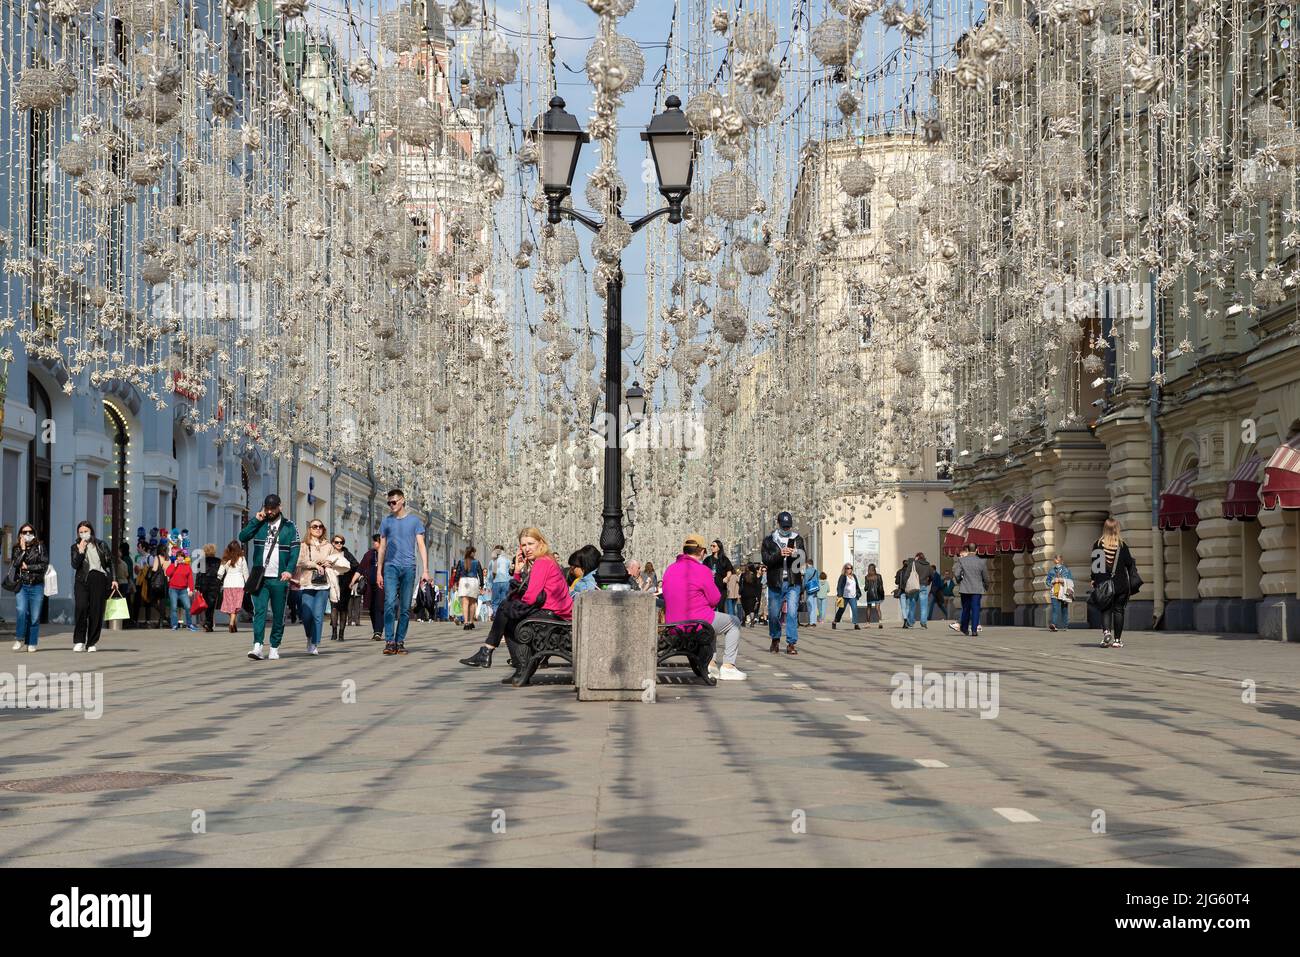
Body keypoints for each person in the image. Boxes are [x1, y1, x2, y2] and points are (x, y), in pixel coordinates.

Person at [458, 526, 573, 682]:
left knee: (506, 610)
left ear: (540, 543)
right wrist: (518, 572)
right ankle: (509, 663)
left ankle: (489, 652)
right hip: (553, 613)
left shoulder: (542, 563)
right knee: (507, 611)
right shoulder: (544, 560)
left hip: (554, 616)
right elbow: (519, 594)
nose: (527, 549)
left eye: (531, 544)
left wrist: (512, 607)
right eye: (523, 545)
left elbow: (530, 597)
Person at [663, 533, 745, 680]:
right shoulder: (702, 570)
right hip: (696, 624)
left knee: (709, 618)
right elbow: (715, 599)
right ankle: (728, 666)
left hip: (673, 626)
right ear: (701, 551)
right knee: (734, 622)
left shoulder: (670, 569)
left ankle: (711, 664)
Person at [239, 494, 301, 661]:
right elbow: (242, 537)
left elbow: (295, 551)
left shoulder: (290, 526)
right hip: (260, 577)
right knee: (259, 611)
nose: (270, 511)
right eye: (267, 508)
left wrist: (289, 570)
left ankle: (274, 646)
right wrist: (255, 520)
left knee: (278, 614)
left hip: (279, 578)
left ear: (280, 507)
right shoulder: (260, 523)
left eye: (273, 508)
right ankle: (257, 646)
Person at [376, 488, 431, 656]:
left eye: (394, 502)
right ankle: (389, 641)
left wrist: (425, 570)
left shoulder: (415, 522)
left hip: (409, 567)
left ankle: (400, 641)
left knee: (405, 607)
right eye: (389, 503)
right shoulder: (386, 522)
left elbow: (421, 545)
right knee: (390, 603)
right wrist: (379, 571)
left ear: (402, 501)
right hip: (391, 566)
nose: (391, 505)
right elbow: (382, 547)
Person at [295, 519, 350, 655]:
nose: (318, 529)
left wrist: (328, 562)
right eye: (315, 526)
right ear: (310, 529)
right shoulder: (304, 545)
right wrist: (315, 564)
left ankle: (314, 643)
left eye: (320, 527)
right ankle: (309, 636)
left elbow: (338, 559)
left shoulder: (328, 546)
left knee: (318, 615)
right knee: (307, 615)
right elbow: (299, 561)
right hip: (307, 583)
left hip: (323, 584)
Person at [760, 511, 806, 654]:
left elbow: (803, 557)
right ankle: (775, 639)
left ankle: (791, 643)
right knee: (774, 614)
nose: (786, 529)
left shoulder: (797, 539)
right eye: (784, 526)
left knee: (792, 613)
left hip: (793, 581)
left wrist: (795, 553)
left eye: (788, 527)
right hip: (776, 582)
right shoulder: (769, 540)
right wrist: (780, 554)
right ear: (778, 524)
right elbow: (766, 560)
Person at [1090, 518, 1139, 648]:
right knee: (1118, 611)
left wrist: (1094, 579)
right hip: (1121, 584)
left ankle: (1106, 632)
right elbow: (1129, 563)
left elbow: (1096, 567)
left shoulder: (1098, 544)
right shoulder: (1122, 545)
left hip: (1104, 583)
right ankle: (1117, 641)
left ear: (1105, 528)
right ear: (1117, 529)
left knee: (1105, 609)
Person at [70, 521, 114, 651]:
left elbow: (110, 563)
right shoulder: (75, 547)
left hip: (98, 578)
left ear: (91, 531)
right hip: (82, 579)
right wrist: (81, 551)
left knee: (96, 611)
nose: (84, 534)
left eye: (86, 531)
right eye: (81, 532)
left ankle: (91, 642)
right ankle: (79, 640)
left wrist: (114, 579)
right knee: (81, 607)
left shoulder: (101, 544)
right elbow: (74, 564)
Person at [8, 523, 48, 652]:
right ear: (20, 534)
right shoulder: (16, 548)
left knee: (35, 616)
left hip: (37, 585)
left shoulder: (40, 547)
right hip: (22, 584)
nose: (27, 534)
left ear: (34, 533)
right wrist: (23, 549)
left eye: (29, 532)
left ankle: (31, 642)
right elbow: (16, 564)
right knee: (21, 610)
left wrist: (28, 567)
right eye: (24, 532)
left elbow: (43, 565)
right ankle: (19, 638)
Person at [951, 543, 989, 637]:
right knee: (976, 609)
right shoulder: (981, 562)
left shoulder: (962, 561)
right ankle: (974, 630)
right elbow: (986, 577)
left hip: (965, 588)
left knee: (966, 608)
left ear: (967, 550)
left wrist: (959, 580)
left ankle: (964, 628)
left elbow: (956, 573)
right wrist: (986, 586)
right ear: (976, 550)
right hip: (977, 589)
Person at [329, 534, 360, 641]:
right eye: (337, 542)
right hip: (333, 582)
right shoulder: (329, 553)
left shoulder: (347, 554)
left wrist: (351, 577)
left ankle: (341, 633)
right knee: (334, 607)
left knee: (343, 608)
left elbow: (357, 566)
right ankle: (334, 631)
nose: (339, 544)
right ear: (333, 543)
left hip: (345, 583)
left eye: (341, 542)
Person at [217, 540, 249, 633]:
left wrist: (218, 580)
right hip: (239, 584)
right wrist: (248, 584)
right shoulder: (242, 559)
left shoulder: (225, 559)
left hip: (228, 584)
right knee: (236, 605)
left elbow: (219, 573)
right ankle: (232, 623)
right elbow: (245, 572)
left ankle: (233, 623)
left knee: (229, 605)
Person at [357, 534, 384, 640]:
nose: (373, 543)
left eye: (375, 542)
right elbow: (361, 567)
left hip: (382, 585)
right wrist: (353, 580)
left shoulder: (387, 554)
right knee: (372, 609)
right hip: (369, 586)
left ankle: (378, 631)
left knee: (379, 607)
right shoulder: (369, 554)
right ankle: (376, 630)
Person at [453, 546, 485, 630]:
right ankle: (471, 622)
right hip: (473, 581)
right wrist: (482, 585)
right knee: (473, 603)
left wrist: (455, 582)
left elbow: (458, 573)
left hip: (464, 581)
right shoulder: (477, 562)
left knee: (465, 603)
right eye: (474, 552)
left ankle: (466, 622)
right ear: (472, 553)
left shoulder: (461, 562)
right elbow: (480, 573)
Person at [166, 549, 197, 632]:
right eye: (178, 556)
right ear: (176, 557)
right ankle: (174, 625)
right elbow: (168, 573)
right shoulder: (173, 565)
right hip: (173, 589)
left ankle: (189, 624)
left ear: (184, 557)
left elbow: (190, 579)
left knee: (188, 606)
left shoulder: (187, 567)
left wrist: (191, 589)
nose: (180, 558)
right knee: (174, 607)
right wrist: (174, 566)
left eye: (181, 556)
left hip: (183, 590)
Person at [192, 543, 221, 632]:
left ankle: (207, 622)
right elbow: (221, 573)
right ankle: (209, 623)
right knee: (211, 605)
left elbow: (199, 575)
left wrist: (197, 586)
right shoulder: (218, 561)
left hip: (204, 585)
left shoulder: (201, 561)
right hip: (215, 585)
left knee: (205, 604)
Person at [1044, 555, 1074, 632]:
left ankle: (1065, 626)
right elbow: (1047, 581)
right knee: (1055, 609)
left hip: (1064, 592)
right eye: (1055, 559)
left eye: (1056, 558)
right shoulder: (1051, 571)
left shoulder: (1066, 570)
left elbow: (1071, 581)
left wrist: (1062, 580)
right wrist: (1052, 582)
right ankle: (1054, 625)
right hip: (1055, 592)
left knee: (1064, 609)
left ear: (1059, 560)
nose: (1055, 560)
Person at [704, 540, 734, 613]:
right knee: (711, 607)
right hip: (710, 587)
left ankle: (721, 623)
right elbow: (702, 570)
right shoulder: (708, 559)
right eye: (711, 546)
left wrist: (727, 578)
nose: (712, 547)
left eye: (714, 546)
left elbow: (729, 570)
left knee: (721, 607)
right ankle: (711, 623)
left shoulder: (724, 559)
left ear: (719, 548)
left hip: (721, 587)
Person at [832, 562, 860, 630]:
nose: (849, 570)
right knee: (841, 610)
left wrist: (858, 593)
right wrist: (839, 595)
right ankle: (835, 622)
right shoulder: (843, 576)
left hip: (853, 596)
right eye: (848, 568)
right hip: (844, 596)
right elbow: (839, 586)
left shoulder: (854, 576)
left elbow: (856, 585)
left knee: (855, 609)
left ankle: (856, 624)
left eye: (851, 568)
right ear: (845, 569)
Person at [489, 545, 511, 617]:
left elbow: (490, 574)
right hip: (506, 582)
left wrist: (489, 585)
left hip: (496, 582)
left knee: (495, 601)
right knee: (504, 600)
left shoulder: (492, 561)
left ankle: (496, 614)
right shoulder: (507, 560)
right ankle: (503, 615)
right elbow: (510, 573)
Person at [862, 563, 885, 628]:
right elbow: (881, 585)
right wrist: (882, 594)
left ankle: (868, 623)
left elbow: (866, 588)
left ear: (868, 569)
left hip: (870, 595)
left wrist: (866, 588)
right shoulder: (879, 576)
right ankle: (880, 622)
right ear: (874, 569)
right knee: (878, 608)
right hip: (877, 594)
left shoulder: (867, 577)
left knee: (869, 608)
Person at [803, 559, 821, 626]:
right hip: (815, 590)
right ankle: (814, 622)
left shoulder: (807, 571)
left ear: (808, 564)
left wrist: (803, 589)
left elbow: (805, 581)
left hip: (809, 590)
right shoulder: (816, 571)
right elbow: (818, 580)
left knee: (810, 606)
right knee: (814, 606)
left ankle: (811, 622)